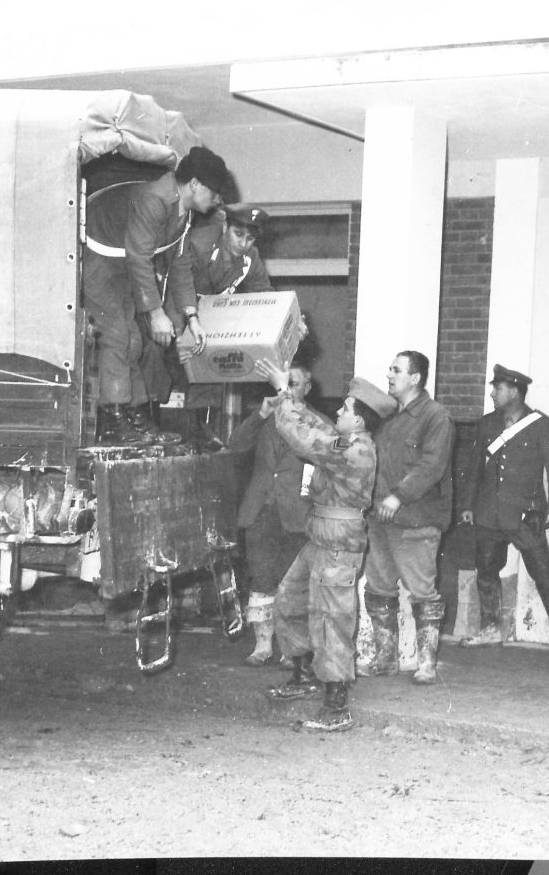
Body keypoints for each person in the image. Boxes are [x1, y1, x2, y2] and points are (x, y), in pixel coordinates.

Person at [256, 359, 397, 733]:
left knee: (331, 619)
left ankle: (336, 706)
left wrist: (286, 393)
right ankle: (304, 675)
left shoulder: (357, 451)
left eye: (346, 409)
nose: (338, 410)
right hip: (321, 535)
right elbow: (317, 427)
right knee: (290, 598)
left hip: (338, 542)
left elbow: (306, 439)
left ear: (361, 421)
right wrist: (287, 402)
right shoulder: (346, 439)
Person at [83, 146, 234, 444]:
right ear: (194, 185)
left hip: (122, 263)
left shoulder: (184, 213)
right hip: (99, 257)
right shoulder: (154, 199)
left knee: (135, 341)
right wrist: (156, 313)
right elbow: (140, 257)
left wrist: (192, 317)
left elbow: (179, 265)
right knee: (117, 336)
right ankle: (113, 418)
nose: (217, 200)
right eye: (214, 193)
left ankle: (134, 414)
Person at [457, 365, 549, 649]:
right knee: (486, 569)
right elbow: (474, 468)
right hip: (489, 512)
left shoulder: (541, 425)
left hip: (526, 514)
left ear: (514, 391)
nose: (492, 393)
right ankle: (490, 628)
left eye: (497, 389)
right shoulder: (487, 424)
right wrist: (468, 504)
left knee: (543, 572)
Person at [360, 351, 455, 685]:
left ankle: (426, 663)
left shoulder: (435, 416)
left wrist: (398, 496)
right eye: (389, 369)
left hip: (415, 519)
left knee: (422, 591)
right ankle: (386, 659)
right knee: (378, 587)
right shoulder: (386, 417)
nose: (389, 375)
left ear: (415, 378)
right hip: (378, 519)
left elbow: (431, 465)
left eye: (396, 370)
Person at [224, 358, 327, 665]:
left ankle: (290, 647)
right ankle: (262, 645)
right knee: (261, 579)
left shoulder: (317, 421)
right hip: (261, 511)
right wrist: (261, 414)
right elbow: (235, 444)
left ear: (307, 388)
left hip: (297, 514)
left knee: (293, 584)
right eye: (283, 384)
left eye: (292, 384)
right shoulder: (266, 417)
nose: (286, 390)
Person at [168, 204, 275, 451]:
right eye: (238, 234)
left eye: (250, 238)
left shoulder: (251, 257)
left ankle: (201, 431)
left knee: (211, 362)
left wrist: (290, 319)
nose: (243, 243)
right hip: (176, 309)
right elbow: (176, 285)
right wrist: (177, 334)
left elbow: (264, 292)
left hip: (207, 321)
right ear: (226, 227)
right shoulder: (199, 246)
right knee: (162, 367)